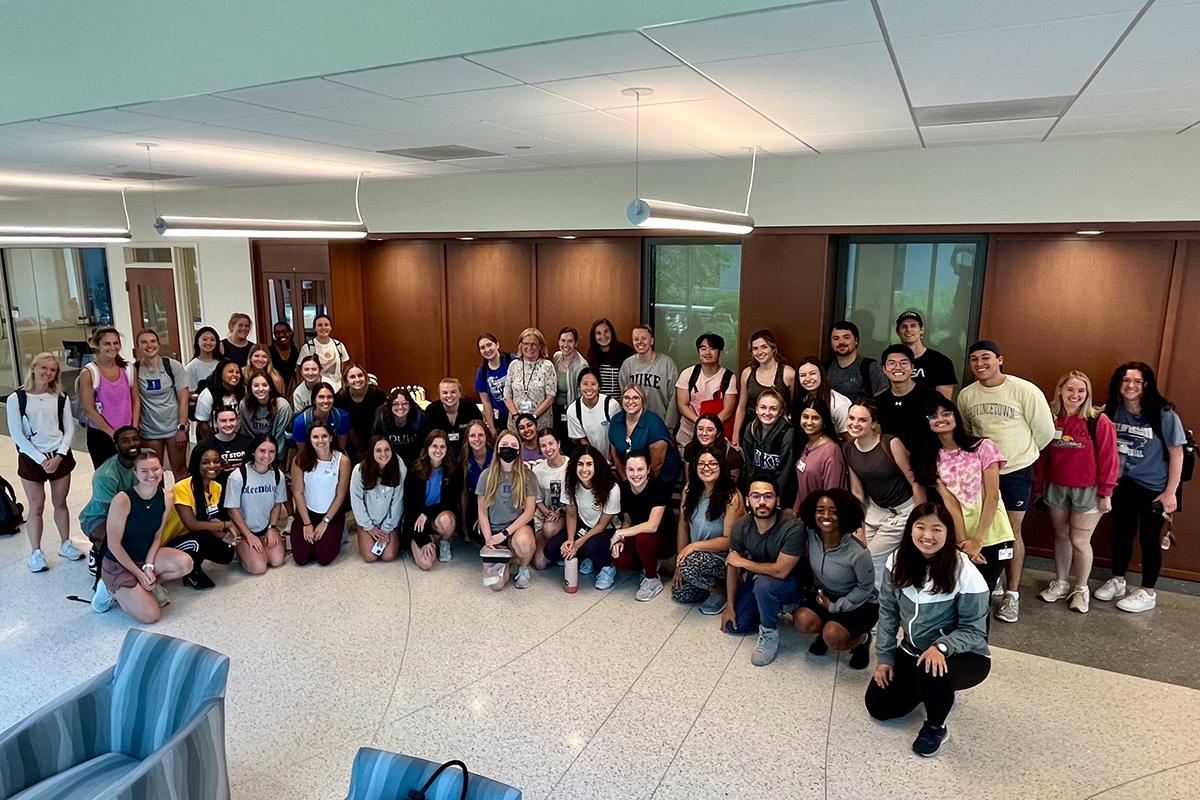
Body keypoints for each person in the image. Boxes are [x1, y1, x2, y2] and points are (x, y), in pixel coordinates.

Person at [866, 503, 991, 758]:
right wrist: (885, 658)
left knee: (932, 671)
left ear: (948, 533)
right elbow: (888, 612)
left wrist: (941, 647)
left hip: (965, 655)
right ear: (910, 530)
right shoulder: (897, 560)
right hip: (913, 651)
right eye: (920, 527)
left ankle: (936, 726)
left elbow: (975, 631)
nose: (927, 536)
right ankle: (933, 690)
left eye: (937, 529)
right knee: (879, 706)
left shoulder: (964, 571)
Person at [957, 340, 1055, 623]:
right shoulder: (967, 395)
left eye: (985, 358)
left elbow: (1044, 432)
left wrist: (1018, 457)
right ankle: (990, 582)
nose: (979, 364)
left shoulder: (1024, 390)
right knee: (984, 528)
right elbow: (969, 433)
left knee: (1011, 531)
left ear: (1000, 359)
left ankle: (1012, 593)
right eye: (974, 359)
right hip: (981, 472)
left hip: (1016, 471)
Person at [1094, 361, 1187, 613]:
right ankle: (1118, 580)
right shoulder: (1111, 410)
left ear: (1147, 385)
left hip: (1153, 487)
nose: (1131, 386)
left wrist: (1170, 493)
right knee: (1121, 533)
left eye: (1138, 381)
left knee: (1149, 539)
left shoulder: (1163, 413)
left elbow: (1176, 454)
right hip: (1122, 484)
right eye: (1126, 380)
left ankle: (1148, 592)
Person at [1033, 371, 1118, 613]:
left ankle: (1081, 589)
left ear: (1087, 394)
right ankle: (1060, 582)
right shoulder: (1050, 418)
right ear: (1060, 390)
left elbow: (1110, 459)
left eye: (1081, 391)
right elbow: (1042, 456)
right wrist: (1038, 487)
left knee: (1080, 540)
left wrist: (1106, 493)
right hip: (1056, 488)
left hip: (1088, 490)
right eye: (1070, 389)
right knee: (1061, 535)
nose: (1075, 395)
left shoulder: (1098, 421)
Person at [916, 395, 1016, 599]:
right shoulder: (931, 458)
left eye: (946, 413)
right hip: (959, 537)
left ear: (956, 417)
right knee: (956, 595)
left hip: (993, 534)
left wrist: (977, 540)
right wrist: (963, 542)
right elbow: (950, 502)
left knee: (980, 598)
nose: (940, 419)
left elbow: (992, 497)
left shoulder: (983, 446)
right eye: (933, 416)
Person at [91, 451, 193, 623]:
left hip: (144, 556)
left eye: (155, 469)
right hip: (119, 563)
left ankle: (145, 585)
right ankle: (109, 589)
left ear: (162, 470)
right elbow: (114, 545)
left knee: (185, 563)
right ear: (135, 473)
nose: (151, 475)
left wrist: (148, 565)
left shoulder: (167, 497)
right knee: (151, 615)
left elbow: (157, 536)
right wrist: (138, 573)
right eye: (144, 471)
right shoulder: (123, 500)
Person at [719, 476, 806, 667]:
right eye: (756, 496)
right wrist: (730, 605)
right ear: (748, 500)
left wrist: (744, 562)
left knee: (764, 584)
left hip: (792, 583)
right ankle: (770, 607)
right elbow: (732, 567)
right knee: (736, 626)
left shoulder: (793, 527)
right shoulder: (741, 526)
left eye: (768, 496)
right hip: (760, 581)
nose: (762, 502)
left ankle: (769, 633)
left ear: (778, 500)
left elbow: (781, 571)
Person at [9, 352, 79, 573]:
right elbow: (17, 435)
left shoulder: (60, 397)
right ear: (34, 368)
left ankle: (65, 543)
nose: (48, 373)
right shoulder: (16, 398)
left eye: (52, 370)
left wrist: (59, 456)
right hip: (32, 459)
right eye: (44, 368)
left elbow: (68, 429)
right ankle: (36, 552)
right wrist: (41, 460)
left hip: (59, 456)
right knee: (36, 507)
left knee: (61, 503)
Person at [844, 401, 925, 587]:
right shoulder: (848, 448)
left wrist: (919, 519)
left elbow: (915, 482)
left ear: (873, 423)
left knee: (871, 560)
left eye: (862, 420)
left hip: (902, 512)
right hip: (874, 510)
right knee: (861, 557)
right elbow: (857, 492)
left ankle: (880, 607)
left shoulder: (889, 443)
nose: (855, 423)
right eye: (851, 418)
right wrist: (859, 527)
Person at [795, 488, 877, 669]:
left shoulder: (859, 553)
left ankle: (862, 640)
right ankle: (825, 631)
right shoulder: (811, 534)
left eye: (834, 511)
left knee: (833, 636)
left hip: (858, 603)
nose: (826, 516)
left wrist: (835, 607)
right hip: (826, 594)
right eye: (820, 510)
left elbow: (866, 588)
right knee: (802, 621)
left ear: (845, 514)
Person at [673, 447, 744, 612]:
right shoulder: (690, 489)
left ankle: (723, 591)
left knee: (689, 566)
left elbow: (729, 540)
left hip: (723, 559)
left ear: (721, 466)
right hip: (697, 557)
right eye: (702, 464)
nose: (706, 468)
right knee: (680, 593)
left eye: (712, 464)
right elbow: (683, 526)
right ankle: (706, 584)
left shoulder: (732, 496)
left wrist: (693, 547)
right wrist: (679, 562)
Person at [160, 446, 237, 590]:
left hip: (191, 535)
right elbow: (192, 524)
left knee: (226, 552)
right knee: (201, 540)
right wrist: (227, 524)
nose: (212, 466)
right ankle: (191, 571)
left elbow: (211, 519)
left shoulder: (216, 487)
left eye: (216, 461)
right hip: (167, 541)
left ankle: (193, 565)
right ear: (196, 464)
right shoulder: (181, 487)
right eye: (205, 462)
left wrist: (225, 537)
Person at [547, 444, 622, 588]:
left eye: (589, 464)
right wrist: (570, 540)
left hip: (606, 531)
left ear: (597, 466)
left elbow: (602, 525)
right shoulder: (570, 483)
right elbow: (571, 514)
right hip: (584, 527)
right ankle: (586, 557)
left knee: (592, 546)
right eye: (580, 464)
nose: (584, 469)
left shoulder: (611, 488)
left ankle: (608, 567)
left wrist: (577, 543)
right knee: (551, 551)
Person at [477, 429, 538, 588]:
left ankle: (523, 567)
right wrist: (489, 538)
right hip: (494, 532)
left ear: (518, 450)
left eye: (513, 445)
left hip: (517, 530)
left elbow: (529, 512)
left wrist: (504, 534)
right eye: (504, 445)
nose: (508, 448)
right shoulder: (486, 475)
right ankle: (507, 560)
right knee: (495, 585)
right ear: (497, 448)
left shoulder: (528, 476)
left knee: (524, 542)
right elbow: (482, 512)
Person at [612, 452, 674, 601]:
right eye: (631, 470)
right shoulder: (624, 489)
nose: (635, 474)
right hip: (638, 534)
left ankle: (652, 579)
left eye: (640, 469)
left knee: (643, 539)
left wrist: (620, 533)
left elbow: (652, 526)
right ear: (625, 470)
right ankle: (647, 563)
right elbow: (627, 520)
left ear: (648, 470)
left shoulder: (659, 488)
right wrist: (621, 538)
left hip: (662, 538)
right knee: (619, 558)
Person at [79, 427, 141, 574]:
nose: (132, 444)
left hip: (133, 509)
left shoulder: (147, 461)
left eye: (135, 439)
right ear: (116, 446)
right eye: (125, 441)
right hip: (99, 516)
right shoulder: (105, 475)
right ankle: (98, 551)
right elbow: (113, 512)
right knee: (112, 538)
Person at [290, 421, 352, 566]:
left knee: (324, 558)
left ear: (331, 438)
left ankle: (336, 533)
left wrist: (325, 522)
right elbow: (298, 493)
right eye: (315, 437)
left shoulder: (342, 461)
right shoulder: (299, 460)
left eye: (324, 436)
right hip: (307, 512)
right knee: (301, 559)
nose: (320, 440)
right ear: (309, 439)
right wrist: (307, 523)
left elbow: (341, 495)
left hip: (331, 514)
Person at [225, 436, 288, 574]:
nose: (267, 456)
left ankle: (264, 544)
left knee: (277, 561)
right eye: (262, 451)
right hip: (244, 530)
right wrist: (249, 535)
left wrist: (271, 528)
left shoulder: (278, 475)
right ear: (253, 451)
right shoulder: (238, 476)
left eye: (271, 452)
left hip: (265, 527)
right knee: (258, 568)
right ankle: (240, 549)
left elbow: (277, 504)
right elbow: (232, 510)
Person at [78, 326, 139, 467]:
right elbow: (89, 409)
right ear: (97, 346)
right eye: (107, 343)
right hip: (101, 435)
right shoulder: (89, 373)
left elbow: (136, 400)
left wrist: (134, 428)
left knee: (132, 475)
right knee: (106, 477)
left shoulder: (129, 369)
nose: (113, 347)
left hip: (128, 433)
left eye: (115, 343)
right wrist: (113, 434)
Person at [133, 329, 189, 477]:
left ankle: (181, 500)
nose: (149, 345)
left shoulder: (173, 366)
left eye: (152, 341)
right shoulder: (135, 370)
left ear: (158, 343)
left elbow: (183, 399)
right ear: (138, 346)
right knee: (154, 473)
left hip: (174, 427)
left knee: (180, 470)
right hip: (149, 430)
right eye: (143, 342)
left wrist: (182, 427)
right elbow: (134, 400)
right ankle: (160, 500)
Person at [402, 429, 461, 568]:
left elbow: (450, 503)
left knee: (446, 521)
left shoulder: (453, 470)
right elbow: (409, 507)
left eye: (442, 446)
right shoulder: (414, 469)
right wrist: (422, 539)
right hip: (416, 521)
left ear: (447, 449)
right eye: (434, 446)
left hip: (437, 517)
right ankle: (430, 539)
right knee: (426, 564)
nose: (438, 450)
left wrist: (427, 513)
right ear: (427, 447)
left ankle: (444, 541)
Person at [609, 384, 681, 488]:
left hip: (659, 475)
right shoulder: (616, 421)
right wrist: (626, 482)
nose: (630, 401)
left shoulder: (654, 424)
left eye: (635, 398)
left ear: (643, 400)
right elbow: (615, 455)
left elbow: (657, 465)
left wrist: (642, 487)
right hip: (633, 474)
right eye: (626, 398)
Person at [875, 344, 941, 455]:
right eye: (891, 363)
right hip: (890, 463)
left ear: (912, 367)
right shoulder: (878, 401)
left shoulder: (932, 398)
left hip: (926, 463)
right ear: (884, 369)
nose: (898, 367)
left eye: (904, 363)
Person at [731, 329, 794, 446]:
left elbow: (794, 406)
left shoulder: (788, 373)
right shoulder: (747, 373)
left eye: (764, 347)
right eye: (755, 349)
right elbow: (741, 407)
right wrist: (735, 435)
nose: (759, 352)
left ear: (773, 348)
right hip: (751, 431)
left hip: (778, 433)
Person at [675, 332, 737, 450]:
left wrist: (709, 427)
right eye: (703, 348)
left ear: (720, 352)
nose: (707, 352)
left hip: (715, 435)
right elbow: (682, 405)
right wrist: (700, 423)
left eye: (713, 348)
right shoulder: (688, 374)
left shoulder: (729, 377)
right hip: (688, 434)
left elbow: (728, 410)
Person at [351, 436, 406, 564]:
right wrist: (369, 527)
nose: (383, 454)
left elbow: (398, 501)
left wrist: (387, 528)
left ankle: (396, 534)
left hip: (389, 521)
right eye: (378, 450)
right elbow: (357, 501)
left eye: (387, 450)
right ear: (371, 452)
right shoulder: (359, 471)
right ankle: (363, 533)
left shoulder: (399, 468)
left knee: (389, 556)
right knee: (370, 557)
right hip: (368, 521)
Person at [619, 324, 680, 431]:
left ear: (651, 341)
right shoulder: (627, 365)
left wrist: (668, 427)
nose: (640, 342)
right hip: (634, 425)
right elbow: (624, 397)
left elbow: (674, 399)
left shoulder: (667, 364)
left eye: (644, 338)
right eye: (636, 339)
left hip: (660, 425)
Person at [740, 388, 796, 505]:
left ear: (781, 411)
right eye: (763, 407)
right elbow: (749, 466)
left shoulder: (787, 432)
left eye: (773, 409)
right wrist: (751, 493)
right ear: (756, 409)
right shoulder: (750, 429)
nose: (767, 412)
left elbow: (785, 470)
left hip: (780, 493)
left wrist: (776, 498)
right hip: (757, 489)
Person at [791, 398, 847, 514]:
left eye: (815, 418)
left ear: (824, 422)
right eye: (805, 417)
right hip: (804, 513)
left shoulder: (831, 451)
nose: (809, 422)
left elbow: (832, 492)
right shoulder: (806, 444)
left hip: (822, 516)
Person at [504, 327, 557, 431]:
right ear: (521, 345)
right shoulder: (514, 365)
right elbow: (507, 395)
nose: (529, 347)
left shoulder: (547, 366)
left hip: (540, 423)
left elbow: (550, 397)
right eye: (526, 343)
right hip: (516, 423)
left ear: (540, 346)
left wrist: (533, 418)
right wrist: (516, 417)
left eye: (533, 344)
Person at [895, 311, 956, 399]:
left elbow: (944, 404)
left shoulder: (942, 362)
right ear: (897, 332)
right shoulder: (891, 363)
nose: (908, 329)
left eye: (913, 325)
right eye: (904, 326)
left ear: (922, 330)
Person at [532, 427, 569, 569]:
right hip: (545, 514)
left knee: (550, 529)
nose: (548, 448)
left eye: (551, 443)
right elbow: (538, 499)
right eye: (543, 445)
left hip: (565, 514)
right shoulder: (538, 470)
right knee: (540, 564)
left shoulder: (571, 465)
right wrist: (546, 511)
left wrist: (560, 512)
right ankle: (553, 550)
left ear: (558, 444)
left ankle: (560, 546)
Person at [336, 362, 387, 462]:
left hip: (375, 438)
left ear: (366, 377)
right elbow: (345, 426)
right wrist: (359, 449)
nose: (357, 379)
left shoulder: (378, 394)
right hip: (351, 441)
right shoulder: (340, 398)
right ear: (346, 381)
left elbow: (382, 422)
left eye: (360, 375)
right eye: (352, 377)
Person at [239, 373, 292, 466]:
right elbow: (246, 435)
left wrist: (271, 459)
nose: (260, 389)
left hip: (276, 457)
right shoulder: (244, 405)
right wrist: (254, 458)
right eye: (256, 385)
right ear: (250, 388)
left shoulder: (282, 406)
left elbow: (281, 439)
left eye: (264, 385)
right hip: (253, 457)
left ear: (270, 387)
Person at [423, 376, 483, 456]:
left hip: (467, 455)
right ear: (439, 395)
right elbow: (427, 439)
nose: (449, 395)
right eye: (445, 393)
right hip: (440, 455)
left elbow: (480, 434)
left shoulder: (471, 408)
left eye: (453, 392)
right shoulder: (431, 410)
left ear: (460, 393)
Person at [827, 321, 884, 403]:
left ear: (856, 340)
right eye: (836, 338)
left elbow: (883, 401)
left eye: (846, 337)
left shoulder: (871, 367)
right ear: (831, 343)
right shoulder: (825, 368)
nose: (841, 342)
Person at [566, 368, 620, 455]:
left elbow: (618, 435)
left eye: (593, 384)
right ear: (579, 387)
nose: (589, 388)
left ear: (599, 386)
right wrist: (596, 459)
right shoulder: (573, 410)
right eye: (585, 384)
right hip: (591, 457)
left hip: (614, 456)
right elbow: (582, 440)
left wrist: (610, 459)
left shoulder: (611, 405)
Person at [793, 357, 852, 435]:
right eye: (803, 375)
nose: (808, 378)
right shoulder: (804, 399)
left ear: (821, 374)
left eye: (813, 373)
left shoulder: (839, 404)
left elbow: (848, 439)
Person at [198, 406, 255, 484]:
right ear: (215, 423)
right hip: (215, 491)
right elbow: (196, 475)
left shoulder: (249, 443)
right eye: (223, 421)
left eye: (232, 420)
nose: (228, 424)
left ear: (237, 421)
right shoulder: (204, 446)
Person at [373, 386, 428, 465]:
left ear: (410, 405)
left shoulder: (420, 419)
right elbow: (375, 445)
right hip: (389, 462)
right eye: (395, 404)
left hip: (415, 462)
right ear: (390, 405)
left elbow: (426, 444)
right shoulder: (381, 421)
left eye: (404, 403)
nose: (400, 407)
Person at [683, 413, 744, 485]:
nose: (704, 433)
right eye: (700, 429)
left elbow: (731, 488)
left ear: (718, 433)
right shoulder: (690, 449)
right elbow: (688, 481)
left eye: (710, 430)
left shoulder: (732, 456)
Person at [193, 359, 244, 441]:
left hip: (235, 438)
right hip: (212, 438)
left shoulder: (242, 392)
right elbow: (202, 423)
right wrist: (211, 444)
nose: (235, 375)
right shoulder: (207, 395)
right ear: (220, 373)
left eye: (238, 372)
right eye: (230, 371)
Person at [298, 313, 351, 391]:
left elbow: (346, 366)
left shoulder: (339, 345)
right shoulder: (308, 348)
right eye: (320, 325)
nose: (323, 328)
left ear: (331, 328)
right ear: (315, 328)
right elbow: (301, 371)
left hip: (338, 389)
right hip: (317, 390)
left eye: (326, 325)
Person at [552, 326, 589, 438]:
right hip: (555, 408)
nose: (566, 345)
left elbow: (582, 394)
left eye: (570, 341)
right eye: (563, 340)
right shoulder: (556, 357)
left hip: (570, 409)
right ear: (558, 341)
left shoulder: (581, 365)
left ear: (576, 343)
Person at [292, 382, 350, 452]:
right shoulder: (300, 422)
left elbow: (341, 448)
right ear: (314, 400)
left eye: (329, 397)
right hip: (310, 456)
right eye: (321, 397)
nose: (326, 401)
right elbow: (303, 451)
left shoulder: (342, 416)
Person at [475, 333, 514, 434]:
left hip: (517, 415)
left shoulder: (512, 360)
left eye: (489, 345)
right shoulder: (482, 372)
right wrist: (491, 428)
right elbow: (486, 401)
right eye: (482, 348)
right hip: (499, 418)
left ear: (497, 345)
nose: (487, 350)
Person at [461, 419, 493, 540]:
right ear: (467, 439)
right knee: (477, 535)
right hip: (475, 502)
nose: (477, 439)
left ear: (486, 436)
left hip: (495, 503)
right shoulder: (465, 460)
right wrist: (464, 525)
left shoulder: (495, 458)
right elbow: (464, 494)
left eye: (481, 435)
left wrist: (484, 517)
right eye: (472, 435)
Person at [587, 317, 635, 398]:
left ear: (611, 332)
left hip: (623, 403)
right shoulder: (591, 353)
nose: (603, 336)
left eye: (606, 331)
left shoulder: (625, 351)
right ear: (594, 336)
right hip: (600, 403)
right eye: (598, 333)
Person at [185, 326, 222, 404]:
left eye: (212, 340)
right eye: (204, 339)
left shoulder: (222, 363)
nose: (208, 342)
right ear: (198, 341)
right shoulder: (191, 366)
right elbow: (190, 393)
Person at [269, 320, 299, 388]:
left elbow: (293, 373)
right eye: (277, 333)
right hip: (274, 386)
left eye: (284, 331)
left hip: (290, 387)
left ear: (290, 332)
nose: (281, 335)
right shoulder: (270, 351)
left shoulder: (294, 350)